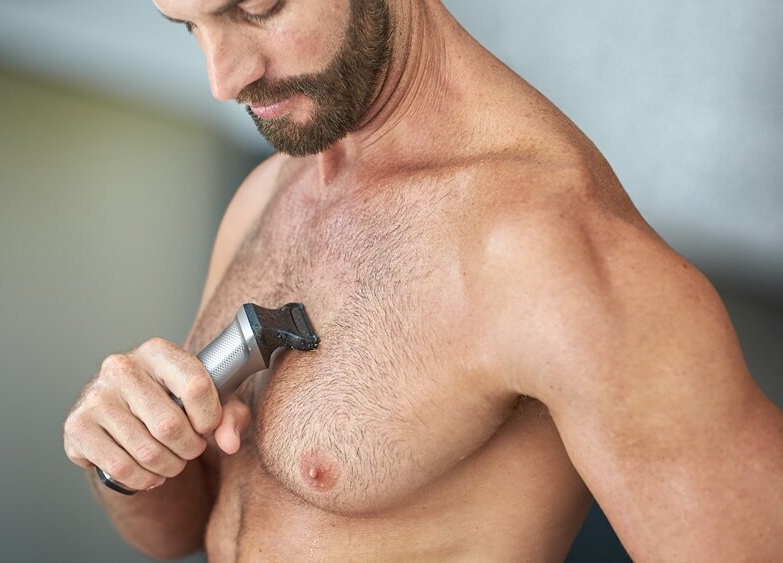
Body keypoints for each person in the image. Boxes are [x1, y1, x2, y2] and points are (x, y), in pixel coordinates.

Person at [63, 1, 783, 560]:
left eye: (257, 7)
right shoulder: (272, 191)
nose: (223, 79)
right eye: (190, 27)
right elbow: (188, 529)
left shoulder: (552, 250)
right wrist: (128, 453)